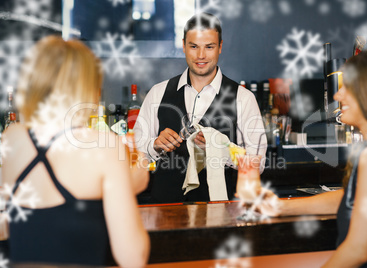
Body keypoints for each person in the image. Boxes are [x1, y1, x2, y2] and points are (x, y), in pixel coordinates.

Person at [1, 36, 150, 267]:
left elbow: (16, 226)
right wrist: (131, 185)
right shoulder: (104, 145)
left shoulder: (12, 138)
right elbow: (133, 257)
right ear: (88, 87)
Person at [258, 46, 367, 267]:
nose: (337, 95)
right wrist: (282, 207)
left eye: (349, 87)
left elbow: (358, 250)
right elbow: (354, 199)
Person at [134, 13, 267, 204]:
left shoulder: (243, 98)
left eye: (209, 47)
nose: (201, 55)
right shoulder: (158, 93)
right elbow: (135, 154)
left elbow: (258, 162)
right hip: (165, 209)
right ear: (184, 46)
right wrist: (154, 145)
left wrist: (222, 148)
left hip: (220, 214)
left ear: (220, 47)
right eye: (194, 46)